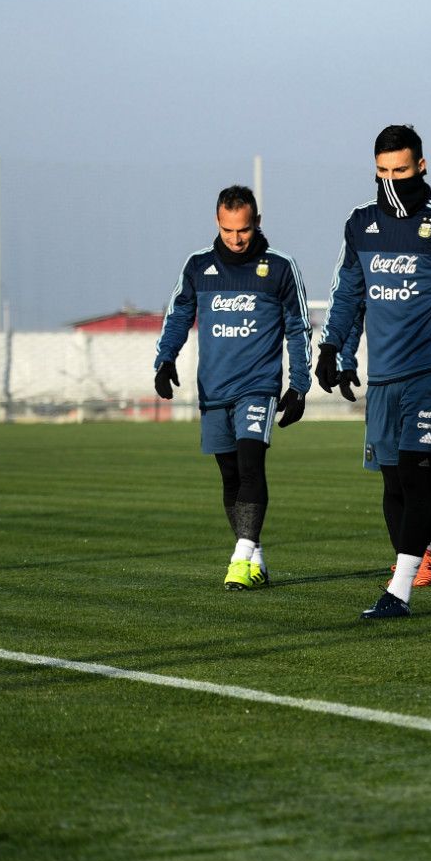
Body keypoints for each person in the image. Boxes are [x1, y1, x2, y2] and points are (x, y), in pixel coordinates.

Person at [317, 124, 431, 619]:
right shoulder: (360, 224)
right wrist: (333, 348)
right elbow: (348, 294)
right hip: (384, 374)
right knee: (395, 484)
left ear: (421, 166)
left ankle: (398, 591)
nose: (391, 181)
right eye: (382, 172)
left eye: (400, 171)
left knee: (418, 475)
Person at [153, 185, 311, 590]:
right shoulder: (198, 267)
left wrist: (299, 384)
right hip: (214, 390)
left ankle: (239, 559)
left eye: (243, 230)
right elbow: (178, 316)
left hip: (258, 387)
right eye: (228, 231)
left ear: (256, 223)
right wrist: (165, 359)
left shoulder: (279, 267)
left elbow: (298, 327)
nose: (236, 239)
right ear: (218, 223)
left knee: (250, 464)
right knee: (229, 477)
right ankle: (256, 558)